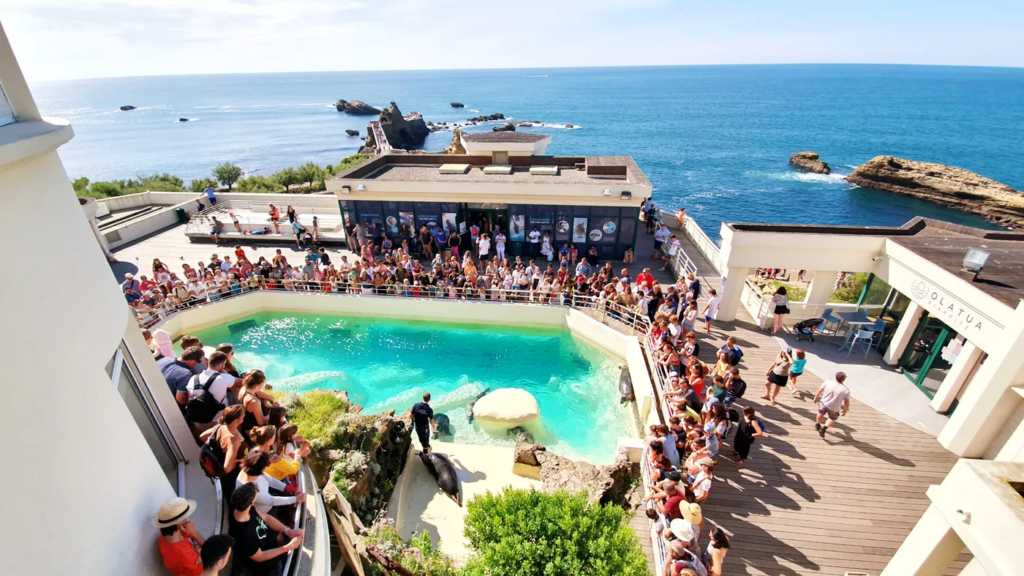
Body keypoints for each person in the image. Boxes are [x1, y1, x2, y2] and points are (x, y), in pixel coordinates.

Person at [228, 482, 304, 576]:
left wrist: (287, 530)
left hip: (275, 554)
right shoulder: (244, 534)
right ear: (251, 502)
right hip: (267, 569)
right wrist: (289, 547)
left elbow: (266, 518)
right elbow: (259, 556)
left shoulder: (244, 509)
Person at [235, 449, 306, 515]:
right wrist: (296, 499)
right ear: (261, 468)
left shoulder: (249, 470)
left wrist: (286, 488)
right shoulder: (251, 489)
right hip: (265, 512)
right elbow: (272, 500)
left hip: (269, 504)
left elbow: (271, 481)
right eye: (268, 464)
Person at [186, 351, 241, 430]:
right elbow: (243, 382)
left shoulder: (193, 378)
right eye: (224, 364)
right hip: (217, 421)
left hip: (198, 420)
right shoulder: (223, 378)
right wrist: (227, 373)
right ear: (220, 364)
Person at [154, 497, 205, 576]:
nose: (189, 519)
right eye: (185, 517)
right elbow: (212, 553)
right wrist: (194, 533)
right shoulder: (184, 555)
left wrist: (197, 547)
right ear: (178, 524)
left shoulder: (166, 537)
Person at [814, 371, 851, 439]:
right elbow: (846, 402)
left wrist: (816, 397)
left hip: (823, 403)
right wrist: (845, 409)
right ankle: (824, 429)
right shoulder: (846, 390)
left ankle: (817, 424)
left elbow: (819, 391)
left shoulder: (827, 382)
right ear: (844, 379)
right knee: (832, 418)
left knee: (820, 413)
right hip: (834, 407)